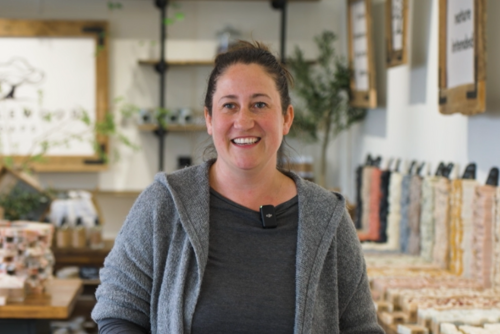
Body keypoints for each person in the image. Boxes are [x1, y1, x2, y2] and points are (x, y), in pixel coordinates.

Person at [91, 41, 384, 334]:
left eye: (260, 104)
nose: (243, 121)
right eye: (229, 105)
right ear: (209, 118)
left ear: (286, 118)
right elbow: (118, 312)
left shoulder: (327, 218)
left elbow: (362, 328)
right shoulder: (164, 203)